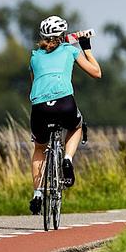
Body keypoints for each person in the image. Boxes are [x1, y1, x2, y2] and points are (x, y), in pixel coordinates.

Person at [28, 15, 101, 215]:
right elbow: (96, 73)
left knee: (39, 148)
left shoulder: (35, 56)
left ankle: (37, 194)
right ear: (62, 35)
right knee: (77, 126)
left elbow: (34, 81)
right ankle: (67, 159)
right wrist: (86, 48)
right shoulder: (70, 50)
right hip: (64, 103)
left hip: (40, 107)